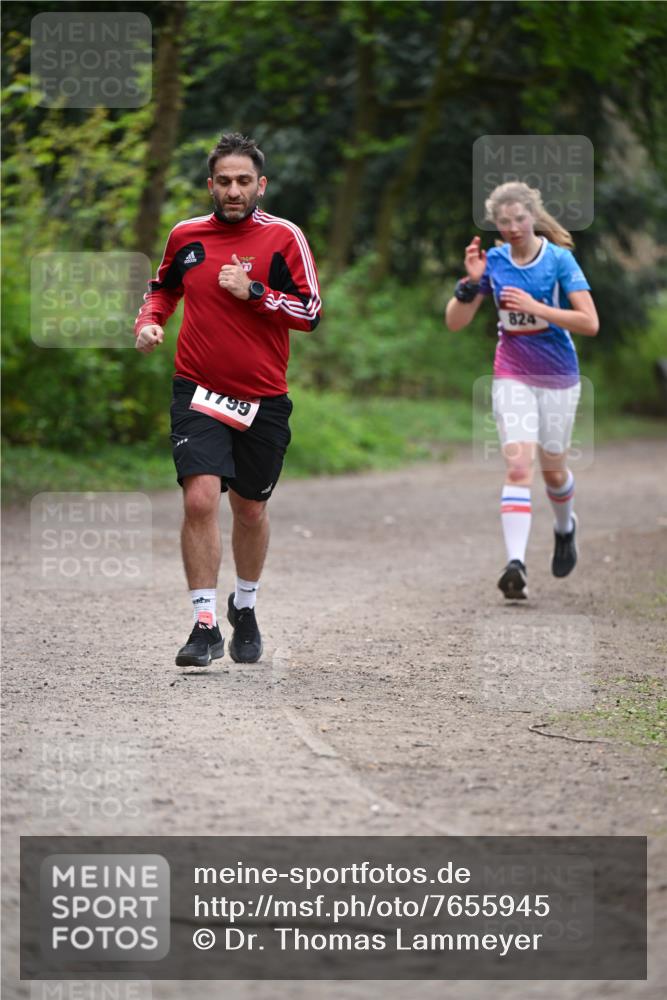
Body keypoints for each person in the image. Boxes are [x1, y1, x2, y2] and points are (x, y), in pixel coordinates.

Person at [135, 132, 321, 664]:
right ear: (210, 185)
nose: (233, 190)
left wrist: (256, 293)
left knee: (250, 509)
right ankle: (204, 623)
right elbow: (163, 288)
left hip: (263, 397)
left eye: (244, 181)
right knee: (199, 498)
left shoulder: (285, 238)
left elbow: (310, 313)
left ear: (260, 185)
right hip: (197, 388)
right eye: (224, 181)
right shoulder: (186, 235)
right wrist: (150, 322)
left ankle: (246, 605)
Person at [445, 181, 599, 599]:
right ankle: (516, 565)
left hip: (558, 377)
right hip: (511, 372)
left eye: (519, 219)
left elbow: (590, 323)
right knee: (517, 467)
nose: (512, 227)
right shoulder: (492, 262)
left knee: (553, 471)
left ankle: (565, 528)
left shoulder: (560, 261)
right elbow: (455, 322)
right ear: (495, 224)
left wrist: (536, 308)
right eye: (503, 221)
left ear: (534, 217)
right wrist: (471, 285)